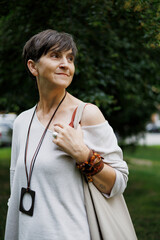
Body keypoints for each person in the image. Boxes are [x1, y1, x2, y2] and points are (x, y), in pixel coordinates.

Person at [5, 29, 129, 240]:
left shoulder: (86, 115)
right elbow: (16, 187)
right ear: (33, 66)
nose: (65, 64)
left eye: (70, 58)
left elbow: (118, 183)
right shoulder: (21, 122)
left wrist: (83, 154)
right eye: (55, 56)